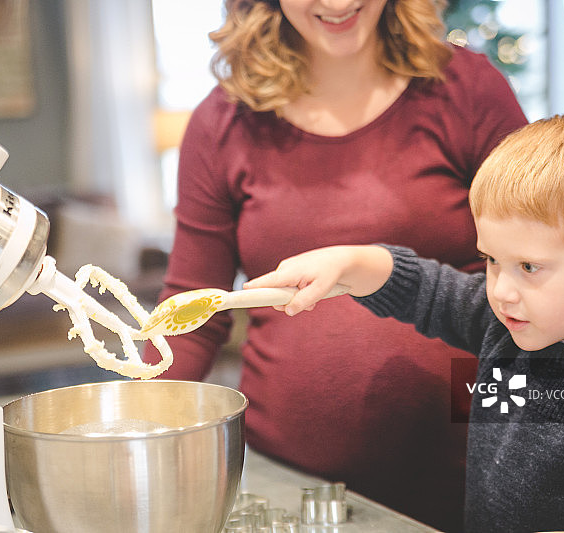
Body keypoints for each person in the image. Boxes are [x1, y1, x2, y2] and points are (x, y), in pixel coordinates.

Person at [144, 1, 526, 529]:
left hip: (470, 465)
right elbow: (192, 309)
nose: (337, 2)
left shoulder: (466, 88)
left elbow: (536, 272)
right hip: (288, 482)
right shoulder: (223, 121)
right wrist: (140, 420)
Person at [244, 109, 564, 533]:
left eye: (529, 267)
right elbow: (424, 288)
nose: (501, 290)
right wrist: (347, 260)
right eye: (491, 260)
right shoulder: (503, 322)